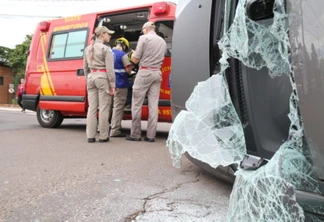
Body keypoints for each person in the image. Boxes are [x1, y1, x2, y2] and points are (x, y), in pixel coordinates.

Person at [126, 21, 167, 142]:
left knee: (137, 104)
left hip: (144, 72)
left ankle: (135, 134)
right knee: (153, 106)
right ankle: (151, 136)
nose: (142, 32)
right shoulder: (162, 41)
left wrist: (132, 54)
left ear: (146, 29)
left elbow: (135, 59)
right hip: (157, 73)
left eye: (143, 30)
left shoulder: (143, 38)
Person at [83, 26, 115, 143]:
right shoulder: (106, 49)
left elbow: (85, 68)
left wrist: (89, 78)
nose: (109, 36)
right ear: (102, 34)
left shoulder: (88, 49)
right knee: (104, 108)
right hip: (102, 78)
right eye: (108, 34)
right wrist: (113, 85)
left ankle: (90, 136)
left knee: (92, 108)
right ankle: (103, 136)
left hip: (91, 77)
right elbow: (110, 70)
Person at [110, 37, 132, 137]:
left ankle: (101, 128)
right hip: (120, 84)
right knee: (118, 108)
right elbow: (128, 70)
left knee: (106, 107)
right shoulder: (123, 55)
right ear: (123, 46)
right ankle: (115, 130)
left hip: (107, 85)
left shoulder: (107, 52)